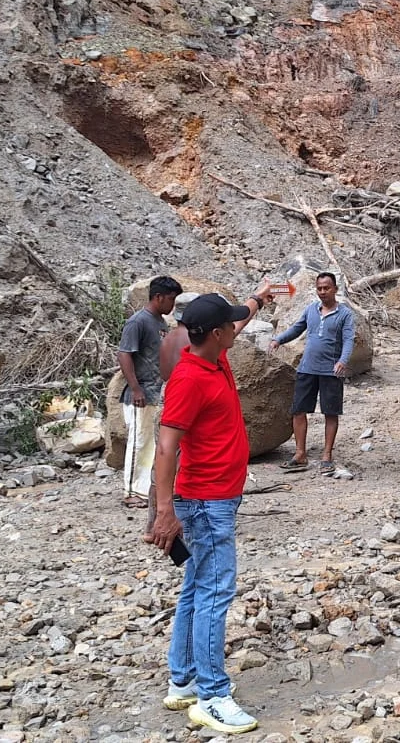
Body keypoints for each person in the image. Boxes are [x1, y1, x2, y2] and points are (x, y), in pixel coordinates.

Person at [148, 285, 273, 735]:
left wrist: (258, 298)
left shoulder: (214, 355)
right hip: (204, 501)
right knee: (215, 592)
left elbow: (237, 319)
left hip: (213, 497)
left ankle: (182, 681)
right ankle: (212, 695)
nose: (236, 329)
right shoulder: (190, 379)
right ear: (215, 334)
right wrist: (165, 511)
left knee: (197, 587)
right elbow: (166, 449)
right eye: (231, 326)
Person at [269, 272, 356, 475]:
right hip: (307, 368)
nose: (323, 292)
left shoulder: (344, 314)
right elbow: (297, 328)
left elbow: (349, 339)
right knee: (298, 410)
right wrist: (278, 340)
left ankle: (327, 455)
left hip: (331, 371)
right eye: (319, 288)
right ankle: (300, 454)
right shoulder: (311, 310)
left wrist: (343, 361)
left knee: (330, 412)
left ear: (335, 289)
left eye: (326, 288)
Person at [136, 291, 197, 542]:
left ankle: (151, 526)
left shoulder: (168, 337)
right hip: (182, 406)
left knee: (159, 467)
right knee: (182, 467)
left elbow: (163, 372)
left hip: (165, 399)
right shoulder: (193, 340)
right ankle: (178, 525)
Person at [118, 276, 182, 507]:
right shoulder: (139, 322)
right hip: (141, 392)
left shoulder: (159, 322)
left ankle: (146, 489)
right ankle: (130, 491)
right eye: (171, 299)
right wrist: (135, 388)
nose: (172, 305)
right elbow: (124, 354)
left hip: (157, 391)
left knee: (152, 444)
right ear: (158, 297)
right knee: (139, 441)